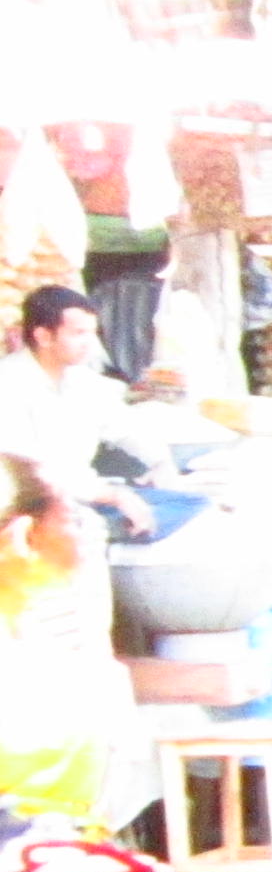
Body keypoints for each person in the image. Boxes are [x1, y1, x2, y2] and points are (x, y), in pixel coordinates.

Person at [0, 453, 141, 841]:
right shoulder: (39, 673)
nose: (80, 535)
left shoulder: (35, 635)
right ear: (23, 536)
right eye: (69, 519)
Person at [0, 285, 185, 540]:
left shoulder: (84, 381)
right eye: (78, 333)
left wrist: (160, 461)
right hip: (29, 510)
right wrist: (113, 495)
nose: (90, 343)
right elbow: (34, 473)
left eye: (92, 333)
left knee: (190, 505)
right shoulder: (8, 383)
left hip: (84, 498)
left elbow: (125, 427)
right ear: (43, 336)